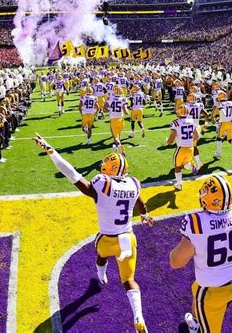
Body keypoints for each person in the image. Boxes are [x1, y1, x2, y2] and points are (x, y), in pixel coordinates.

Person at [33, 134, 153, 333]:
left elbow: (72, 174)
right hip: (128, 239)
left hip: (107, 239)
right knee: (129, 280)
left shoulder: (102, 184)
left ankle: (101, 276)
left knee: (101, 254)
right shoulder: (133, 184)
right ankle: (138, 315)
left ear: (110, 168)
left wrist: (51, 150)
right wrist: (145, 215)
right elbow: (140, 202)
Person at [169, 175, 232, 333]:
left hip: (211, 291)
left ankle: (199, 325)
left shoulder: (196, 223)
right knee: (196, 288)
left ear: (205, 200)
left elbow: (176, 263)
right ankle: (196, 321)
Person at [165, 103, 199, 191]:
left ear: (178, 112)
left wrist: (167, 142)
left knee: (177, 167)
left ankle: (179, 184)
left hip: (181, 148)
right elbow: (196, 136)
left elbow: (172, 138)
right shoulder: (192, 121)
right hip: (190, 148)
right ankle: (190, 166)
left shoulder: (175, 123)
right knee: (184, 165)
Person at [185, 93, 208, 172]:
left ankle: (197, 163)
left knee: (192, 146)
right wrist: (205, 125)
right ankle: (190, 162)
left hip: (191, 128)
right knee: (190, 146)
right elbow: (206, 114)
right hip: (197, 127)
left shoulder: (186, 105)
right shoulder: (199, 105)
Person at [213, 91, 232, 159]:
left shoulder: (220, 104)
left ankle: (219, 153)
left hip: (223, 123)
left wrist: (217, 122)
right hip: (230, 123)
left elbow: (222, 114)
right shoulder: (230, 103)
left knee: (218, 138)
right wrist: (230, 117)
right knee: (230, 140)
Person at [108, 84, 129, 154]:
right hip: (121, 119)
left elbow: (105, 110)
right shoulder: (123, 98)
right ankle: (116, 149)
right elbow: (126, 112)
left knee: (115, 137)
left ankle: (122, 150)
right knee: (118, 136)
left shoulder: (110, 98)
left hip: (113, 119)